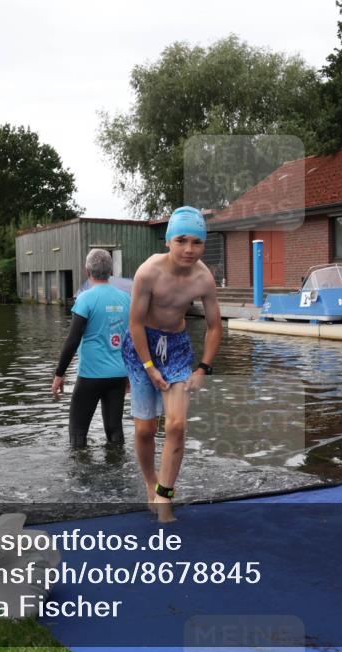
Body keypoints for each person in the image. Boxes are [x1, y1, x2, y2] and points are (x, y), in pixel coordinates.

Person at [123, 206, 222, 521]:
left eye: (197, 242)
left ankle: (165, 496)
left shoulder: (204, 278)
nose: (189, 249)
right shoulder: (148, 272)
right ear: (168, 241)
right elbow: (135, 324)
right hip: (142, 346)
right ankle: (150, 482)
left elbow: (214, 327)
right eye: (181, 240)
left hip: (177, 348)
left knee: (177, 425)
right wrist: (149, 366)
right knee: (145, 429)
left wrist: (203, 368)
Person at [52, 249, 131, 448]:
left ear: (87, 271)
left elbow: (72, 340)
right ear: (110, 271)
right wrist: (129, 374)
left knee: (78, 433)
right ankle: (116, 474)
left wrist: (59, 374)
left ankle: (80, 477)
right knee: (115, 431)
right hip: (118, 376)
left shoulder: (85, 298)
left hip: (91, 376)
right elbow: (132, 339)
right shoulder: (126, 299)